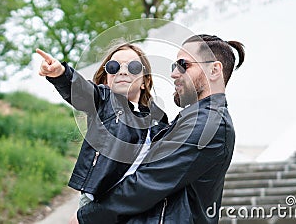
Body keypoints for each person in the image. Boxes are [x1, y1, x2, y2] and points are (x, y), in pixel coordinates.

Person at [74, 34, 245, 224]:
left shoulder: (208, 124)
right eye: (173, 66)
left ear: (214, 70)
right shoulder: (194, 120)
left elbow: (147, 183)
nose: (173, 73)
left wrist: (85, 217)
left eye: (183, 64)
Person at [36, 42, 169, 213]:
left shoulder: (159, 118)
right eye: (113, 67)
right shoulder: (102, 100)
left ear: (145, 81)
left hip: (137, 202)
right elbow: (81, 90)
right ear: (106, 79)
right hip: (98, 199)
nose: (122, 71)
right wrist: (61, 74)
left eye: (133, 67)